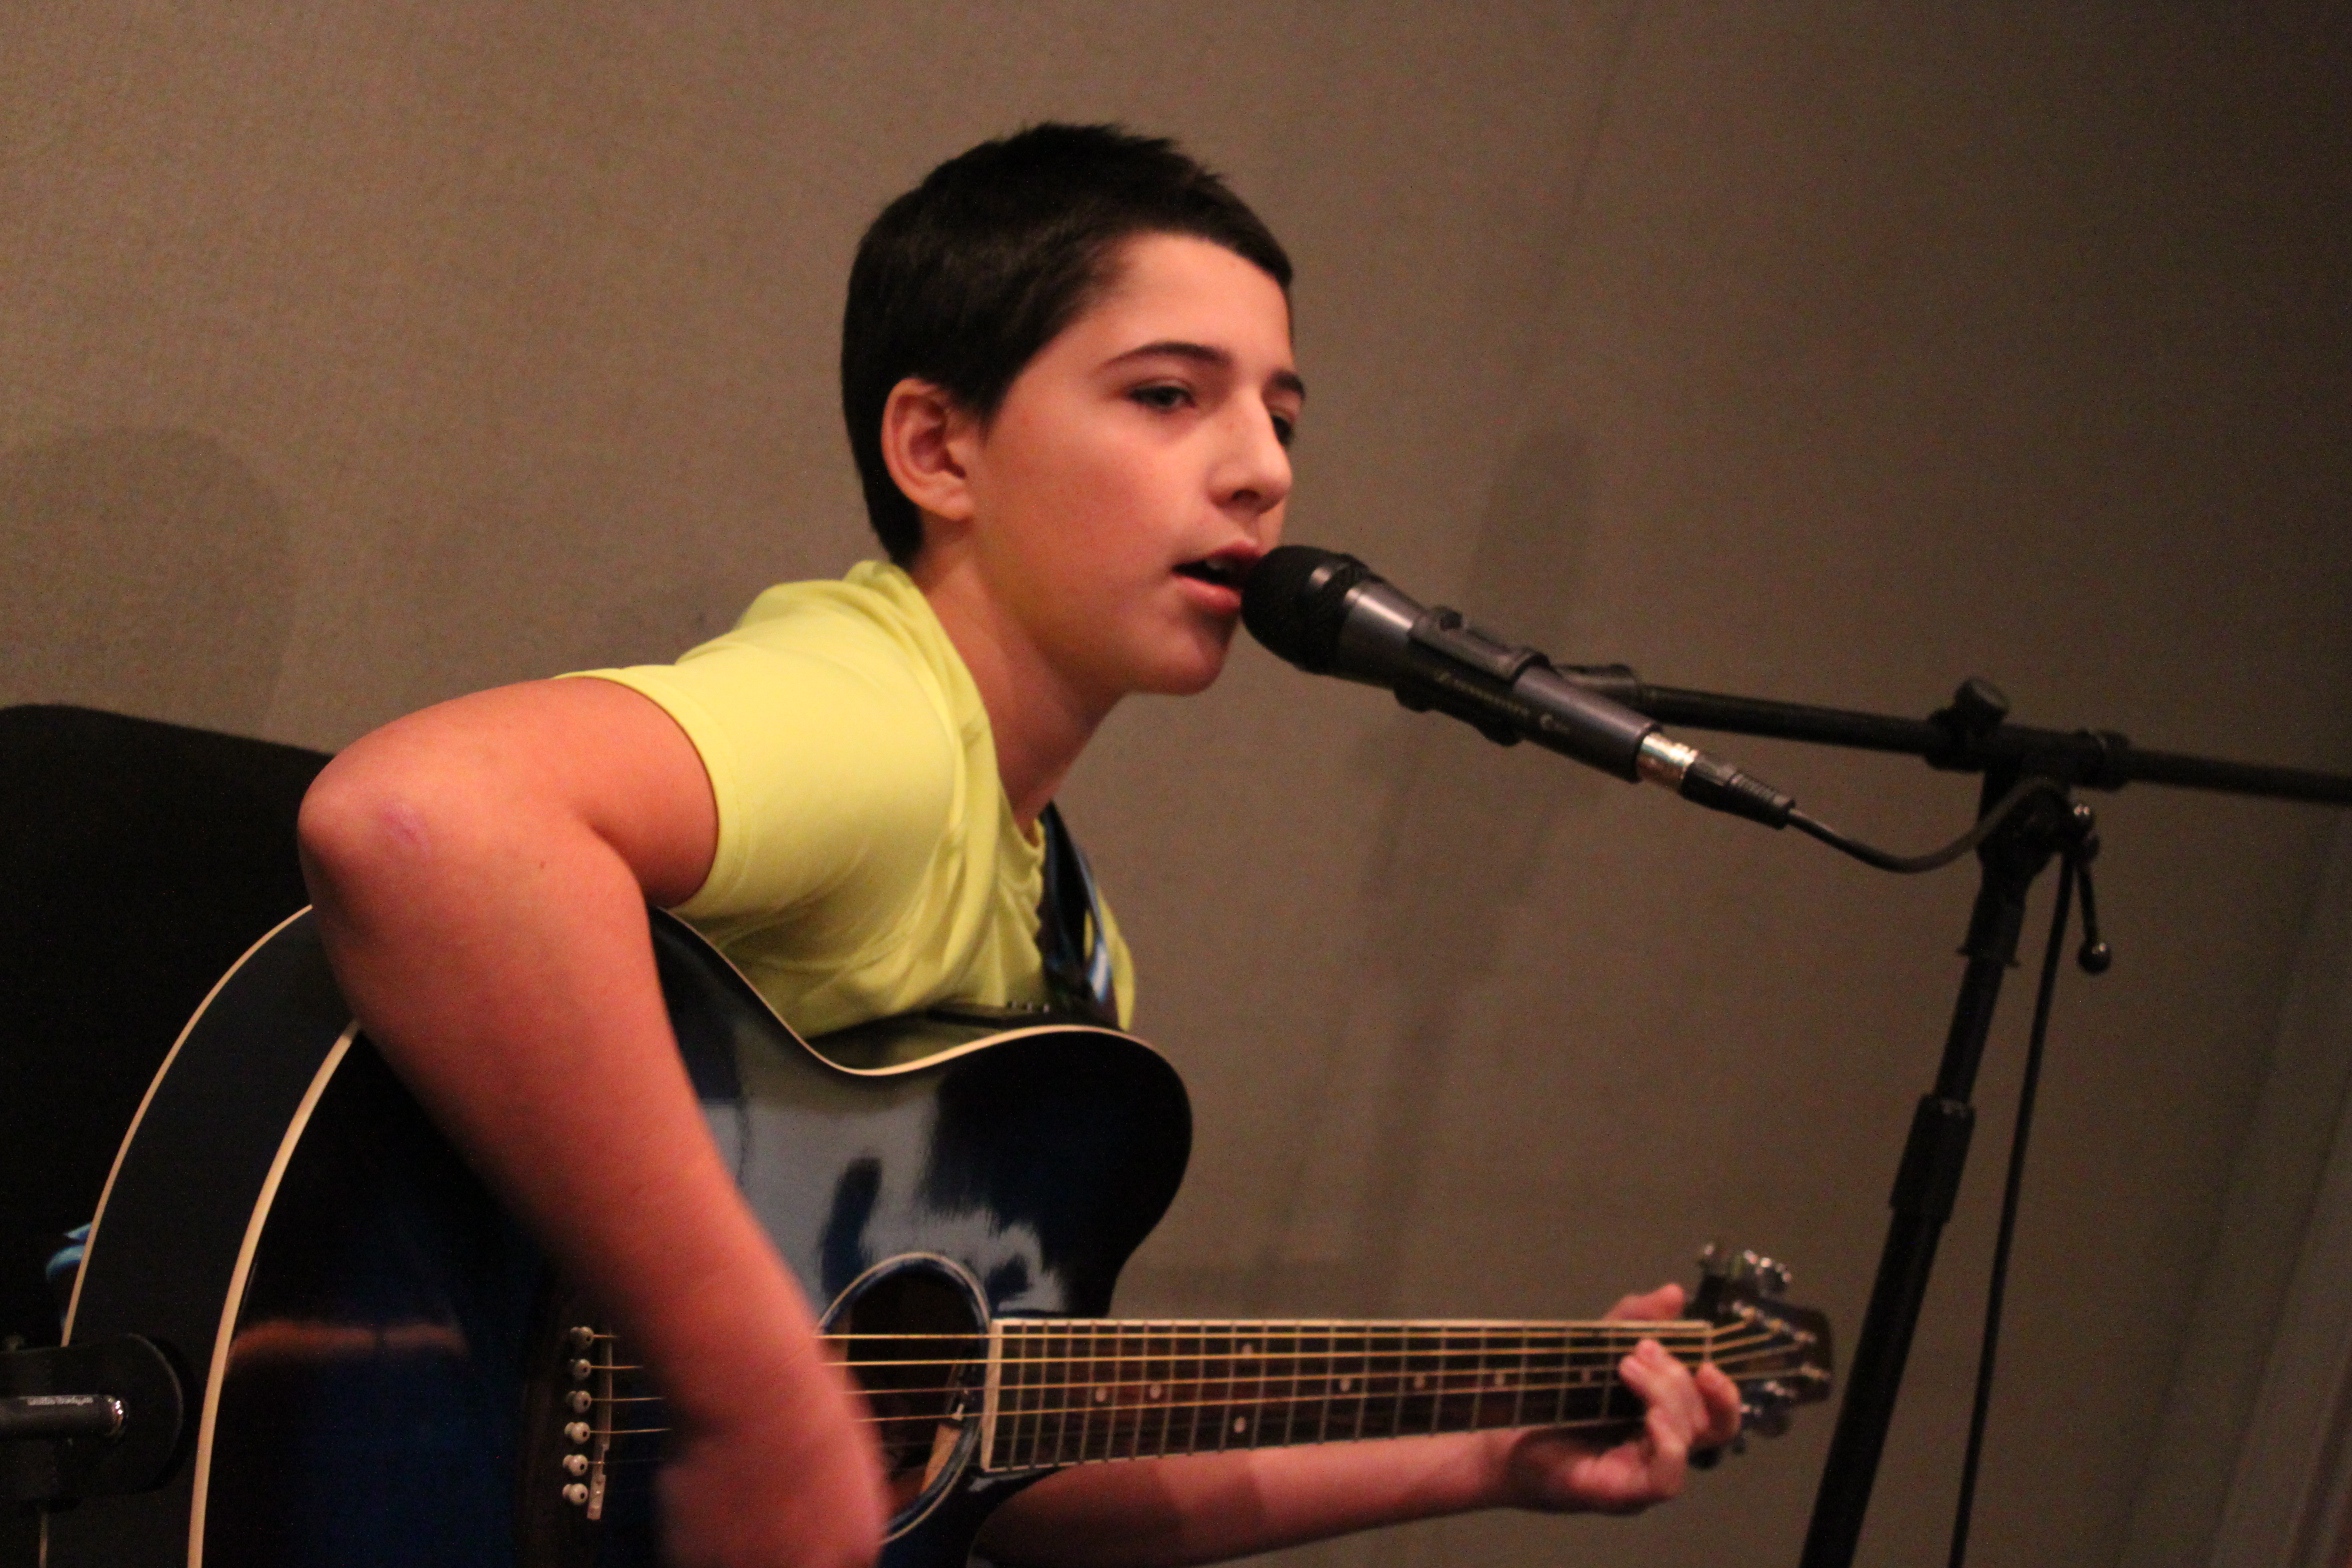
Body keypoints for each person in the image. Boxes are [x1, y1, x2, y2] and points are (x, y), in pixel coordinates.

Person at [296, 124, 1741, 1568]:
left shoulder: (1070, 930)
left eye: (1283, 418)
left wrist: (1489, 1455)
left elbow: (995, 1478)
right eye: (1169, 394)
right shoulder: (883, 725)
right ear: (939, 448)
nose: (1258, 473)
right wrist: (753, 1388)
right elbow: (424, 819)